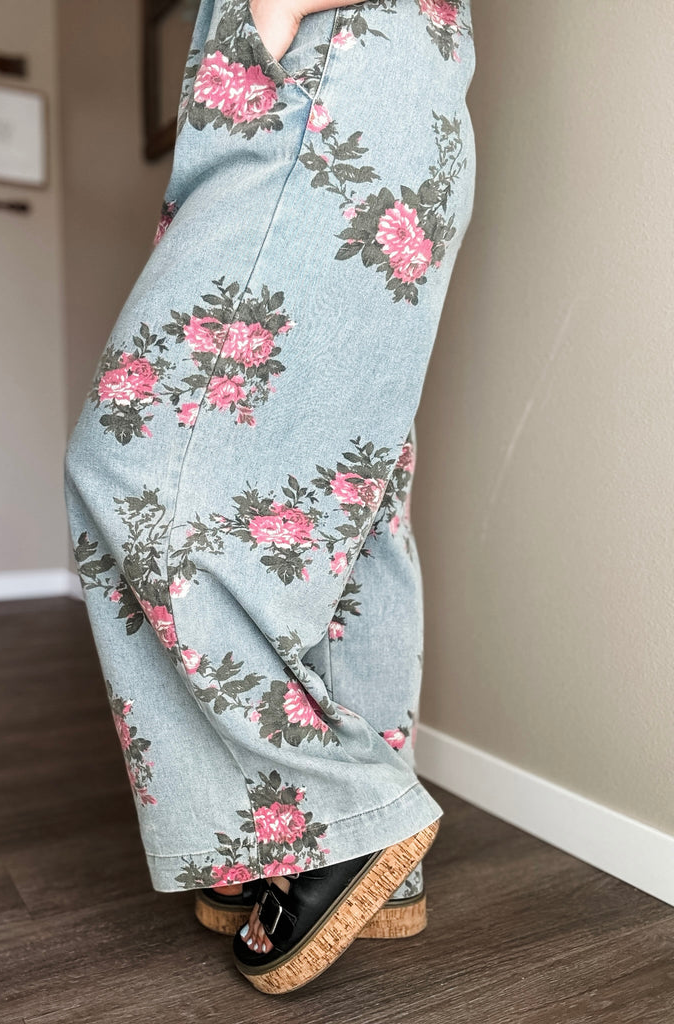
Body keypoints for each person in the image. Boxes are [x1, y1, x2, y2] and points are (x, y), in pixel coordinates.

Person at [63, 0, 476, 995]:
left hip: (326, 78)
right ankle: (329, 850)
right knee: (351, 498)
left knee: (127, 457)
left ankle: (337, 813)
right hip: (388, 85)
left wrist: (275, 12)